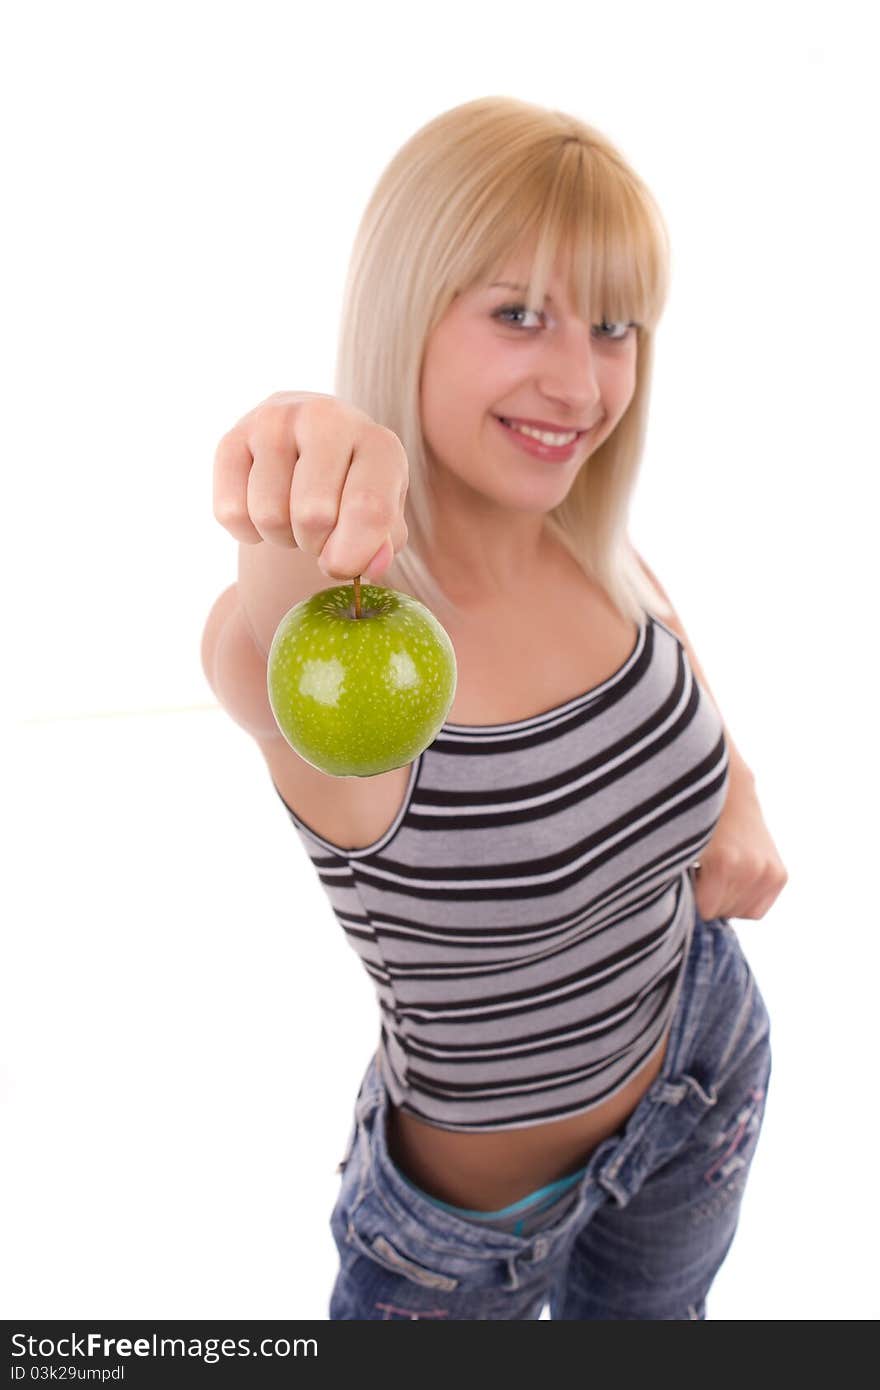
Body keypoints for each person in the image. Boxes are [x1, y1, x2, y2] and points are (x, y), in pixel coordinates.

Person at [202, 95, 788, 1319]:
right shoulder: (339, 650)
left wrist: (736, 793)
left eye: (614, 327)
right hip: (464, 1242)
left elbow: (668, 645)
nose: (580, 382)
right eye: (518, 314)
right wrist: (297, 448)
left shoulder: (582, 540)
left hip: (700, 1075)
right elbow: (259, 639)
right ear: (406, 311)